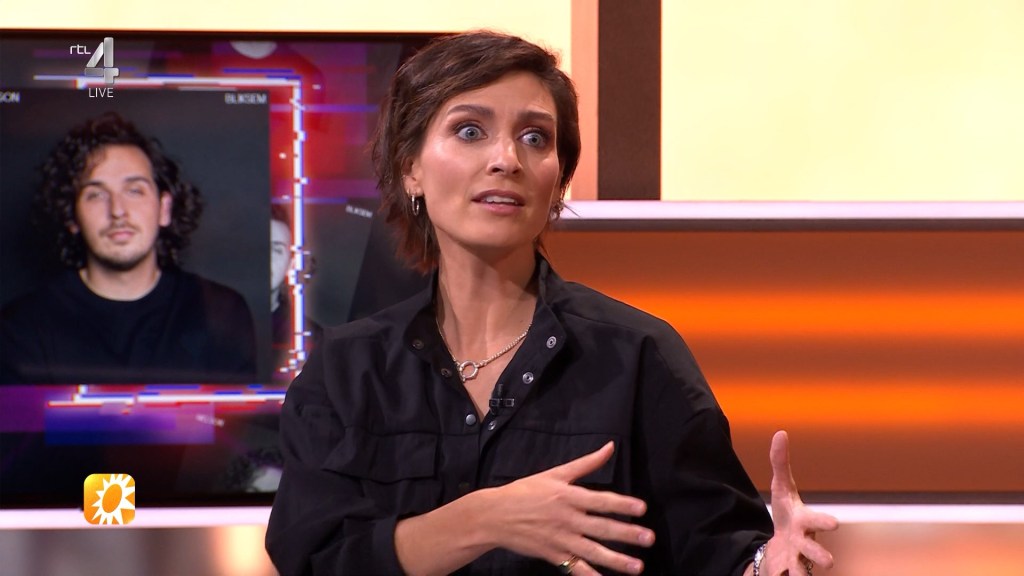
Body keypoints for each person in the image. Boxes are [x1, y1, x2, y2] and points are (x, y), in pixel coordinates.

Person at [266, 31, 838, 576]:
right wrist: (485, 519)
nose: (507, 159)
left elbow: (719, 555)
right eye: (470, 130)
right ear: (410, 167)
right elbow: (316, 559)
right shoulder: (346, 370)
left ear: (558, 179)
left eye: (535, 137)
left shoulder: (638, 356)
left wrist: (771, 564)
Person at [0, 112, 257, 384]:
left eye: (134, 190)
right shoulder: (21, 327)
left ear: (164, 209)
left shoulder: (223, 314)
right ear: (71, 217)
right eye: (96, 194)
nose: (118, 211)